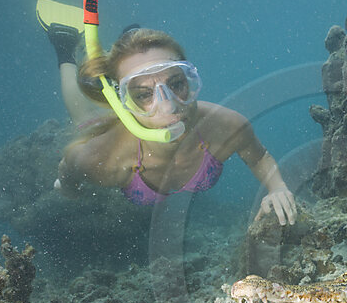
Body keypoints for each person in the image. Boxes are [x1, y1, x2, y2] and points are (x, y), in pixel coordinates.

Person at [43, 21, 297, 225]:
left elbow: (258, 157)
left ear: (190, 80)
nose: (169, 106)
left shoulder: (227, 126)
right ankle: (64, 45)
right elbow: (69, 166)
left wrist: (277, 187)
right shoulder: (103, 157)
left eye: (176, 84)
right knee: (84, 117)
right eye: (143, 94)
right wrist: (67, 186)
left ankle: (132, 38)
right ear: (123, 101)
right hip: (107, 134)